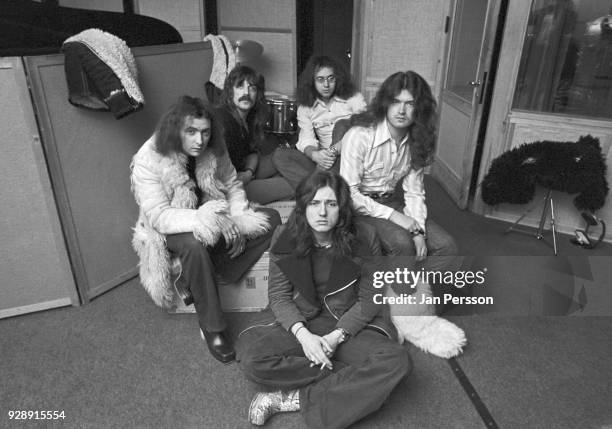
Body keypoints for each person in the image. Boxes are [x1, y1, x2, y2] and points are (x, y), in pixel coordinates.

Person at [236, 170, 411, 428]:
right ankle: (357, 384)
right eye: (314, 203)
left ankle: (293, 398)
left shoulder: (365, 237)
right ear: (303, 206)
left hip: (348, 322)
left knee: (396, 361)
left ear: (342, 209)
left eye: (331, 204)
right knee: (252, 359)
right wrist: (304, 337)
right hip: (301, 319)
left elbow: (369, 299)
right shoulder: (285, 235)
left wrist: (335, 337)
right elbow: (279, 296)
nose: (321, 212)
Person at [130, 95, 281, 363]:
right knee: (194, 246)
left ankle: (198, 275)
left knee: (271, 219)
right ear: (176, 129)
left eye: (205, 132)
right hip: (170, 228)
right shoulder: (149, 157)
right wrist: (212, 221)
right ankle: (213, 327)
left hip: (214, 215)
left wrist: (235, 219)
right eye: (191, 132)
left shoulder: (213, 149)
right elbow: (160, 217)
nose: (199, 140)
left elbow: (233, 185)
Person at [340, 71, 465, 358]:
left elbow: (414, 193)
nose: (402, 110)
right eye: (396, 101)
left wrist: (419, 229)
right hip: (361, 206)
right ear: (385, 103)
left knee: (448, 248)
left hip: (393, 202)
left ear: (418, 109)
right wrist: (401, 222)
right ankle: (406, 308)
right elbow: (349, 193)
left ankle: (401, 298)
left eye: (409, 104)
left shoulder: (417, 141)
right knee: (401, 243)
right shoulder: (359, 135)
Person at [273, 55, 367, 189]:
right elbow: (306, 139)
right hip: (323, 161)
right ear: (312, 81)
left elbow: (365, 129)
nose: (326, 85)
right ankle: (323, 187)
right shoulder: (305, 107)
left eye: (331, 79)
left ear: (338, 79)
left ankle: (314, 186)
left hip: (350, 156)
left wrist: (333, 151)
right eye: (320, 79)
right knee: (280, 155)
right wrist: (316, 155)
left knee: (341, 125)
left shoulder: (353, 97)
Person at [214, 65, 293, 204]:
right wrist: (241, 179)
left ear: (257, 94)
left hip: (244, 173)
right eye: (240, 86)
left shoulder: (250, 118)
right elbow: (215, 171)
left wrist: (248, 173)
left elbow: (252, 153)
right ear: (230, 91)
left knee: (283, 157)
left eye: (252, 88)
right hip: (230, 187)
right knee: (292, 184)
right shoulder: (222, 119)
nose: (246, 92)